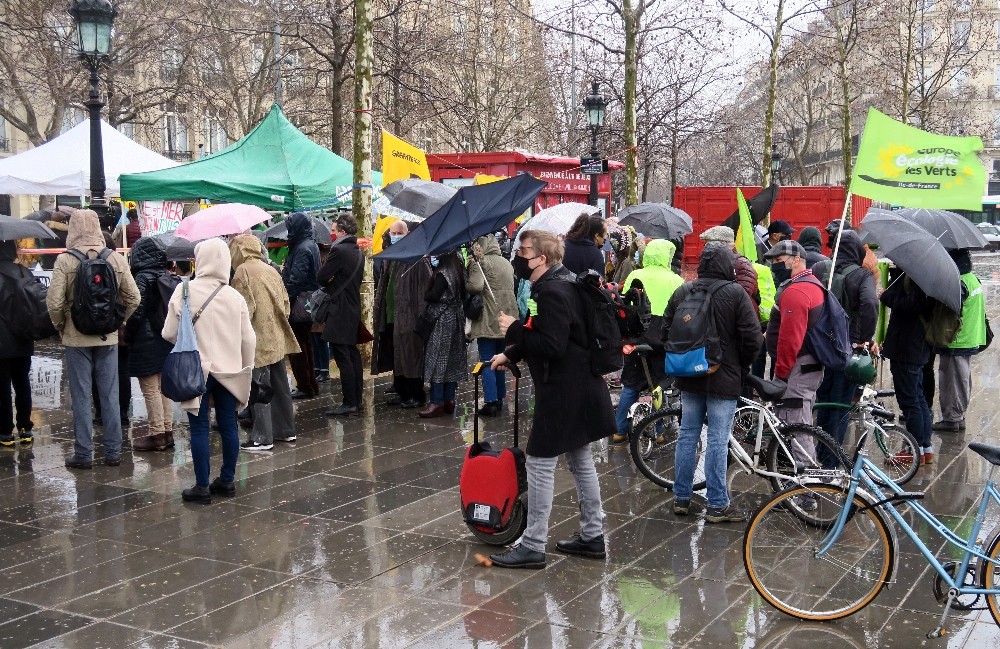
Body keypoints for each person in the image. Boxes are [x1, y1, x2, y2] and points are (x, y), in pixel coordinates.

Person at [488, 230, 613, 568]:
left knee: (540, 464)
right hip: (579, 387)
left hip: (563, 392)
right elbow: (543, 333)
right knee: (580, 461)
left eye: (524, 250)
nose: (518, 255)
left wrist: (512, 330)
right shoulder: (559, 283)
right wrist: (512, 352)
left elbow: (552, 345)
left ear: (541, 257)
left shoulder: (553, 291)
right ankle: (592, 536)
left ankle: (532, 545)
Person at [663, 244, 761, 522]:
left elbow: (666, 329)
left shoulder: (684, 291)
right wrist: (740, 364)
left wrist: (685, 358)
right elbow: (752, 338)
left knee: (687, 435)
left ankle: (681, 497)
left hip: (688, 375)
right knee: (718, 439)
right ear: (726, 265)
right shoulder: (735, 294)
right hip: (725, 376)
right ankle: (717, 504)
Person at [162, 238, 255, 503]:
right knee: (229, 425)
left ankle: (201, 486)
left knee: (199, 428)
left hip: (196, 370)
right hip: (229, 372)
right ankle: (227, 480)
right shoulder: (234, 296)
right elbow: (249, 339)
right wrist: (245, 368)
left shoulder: (184, 291)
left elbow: (168, 333)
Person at [46, 209, 140, 469]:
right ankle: (113, 452)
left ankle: (84, 454)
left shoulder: (66, 261)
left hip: (76, 339)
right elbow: (134, 298)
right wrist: (118, 322)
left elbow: (54, 302)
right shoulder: (115, 259)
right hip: (106, 337)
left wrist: (61, 325)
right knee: (110, 395)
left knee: (81, 396)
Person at [812, 230, 877, 467]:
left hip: (820, 347)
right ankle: (831, 462)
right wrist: (865, 338)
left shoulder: (820, 270)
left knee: (823, 401)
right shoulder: (862, 275)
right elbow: (870, 302)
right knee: (840, 404)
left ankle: (818, 451)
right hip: (847, 348)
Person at [229, 234, 299, 451]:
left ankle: (262, 437)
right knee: (280, 386)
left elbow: (244, 309)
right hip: (277, 335)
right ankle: (286, 430)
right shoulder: (270, 269)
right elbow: (286, 303)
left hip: (257, 339)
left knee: (259, 387)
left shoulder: (242, 272)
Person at [764, 240, 825, 483]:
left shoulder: (796, 292)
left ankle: (807, 488)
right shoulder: (810, 284)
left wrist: (780, 374)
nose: (775, 267)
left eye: (779, 262)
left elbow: (790, 341)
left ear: (797, 260)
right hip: (807, 367)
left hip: (797, 370)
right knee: (800, 423)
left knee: (797, 428)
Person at [611, 239, 684, 444]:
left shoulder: (636, 274)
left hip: (638, 335)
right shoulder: (674, 280)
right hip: (663, 336)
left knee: (631, 384)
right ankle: (658, 430)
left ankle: (620, 430)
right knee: (659, 385)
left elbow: (625, 303)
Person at [123, 236, 176, 452]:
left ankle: (156, 435)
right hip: (164, 337)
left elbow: (136, 310)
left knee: (150, 389)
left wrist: (128, 334)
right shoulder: (166, 276)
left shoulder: (142, 278)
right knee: (163, 388)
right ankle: (167, 431)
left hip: (146, 340)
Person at [880, 270, 935, 463]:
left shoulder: (919, 277)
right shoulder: (927, 275)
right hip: (916, 347)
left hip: (907, 347)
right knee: (918, 399)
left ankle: (914, 450)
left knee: (910, 402)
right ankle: (925, 448)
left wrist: (884, 295)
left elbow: (911, 305)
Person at [933, 248, 987, 432]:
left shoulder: (960, 283)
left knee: (952, 380)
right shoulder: (972, 279)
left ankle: (952, 419)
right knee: (962, 378)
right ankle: (958, 416)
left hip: (957, 338)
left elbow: (950, 310)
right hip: (970, 336)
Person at [318, 215, 365, 416]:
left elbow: (321, 277)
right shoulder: (358, 251)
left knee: (343, 356)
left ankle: (349, 402)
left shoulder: (339, 250)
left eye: (335, 230)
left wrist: (330, 280)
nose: (333, 234)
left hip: (339, 309)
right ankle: (357, 399)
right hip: (353, 307)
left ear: (343, 232)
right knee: (352, 354)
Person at [467, 234, 517, 416]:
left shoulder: (481, 262)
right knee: (501, 358)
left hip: (488, 317)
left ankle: (490, 401)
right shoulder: (506, 262)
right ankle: (500, 397)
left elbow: (475, 286)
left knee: (487, 359)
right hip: (507, 317)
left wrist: (468, 277)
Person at [418, 250, 467, 418]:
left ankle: (436, 401)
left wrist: (427, 290)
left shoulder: (442, 273)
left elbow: (432, 296)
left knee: (437, 359)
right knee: (452, 360)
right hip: (456, 319)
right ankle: (449, 399)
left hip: (441, 321)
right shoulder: (459, 270)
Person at [0, 241, 37, 447]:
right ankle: (25, 428)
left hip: (1, 340)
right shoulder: (24, 272)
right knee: (22, 383)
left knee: (2, 387)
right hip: (22, 336)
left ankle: (5, 431)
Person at [282, 212, 320, 399]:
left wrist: (285, 298)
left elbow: (296, 279)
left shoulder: (302, 248)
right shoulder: (308, 244)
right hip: (305, 301)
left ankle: (305, 385)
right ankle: (309, 383)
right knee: (305, 343)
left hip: (298, 302)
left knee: (298, 346)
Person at [372, 220, 410, 402]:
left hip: (403, 314)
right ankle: (399, 386)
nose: (395, 237)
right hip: (390, 313)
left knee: (404, 353)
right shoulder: (390, 256)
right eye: (392, 233)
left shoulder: (411, 256)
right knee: (394, 350)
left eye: (398, 233)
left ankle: (406, 391)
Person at [699, 226, 757, 302]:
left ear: (724, 244)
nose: (706, 248)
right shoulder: (711, 263)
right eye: (706, 244)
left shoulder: (741, 264)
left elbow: (741, 297)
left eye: (710, 244)